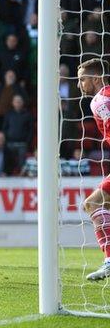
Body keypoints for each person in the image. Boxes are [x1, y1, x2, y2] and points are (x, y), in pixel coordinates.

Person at [78, 59, 110, 280]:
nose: (79, 84)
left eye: (82, 79)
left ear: (96, 78)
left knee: (93, 203)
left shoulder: (100, 101)